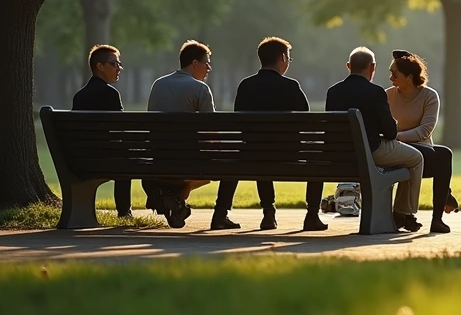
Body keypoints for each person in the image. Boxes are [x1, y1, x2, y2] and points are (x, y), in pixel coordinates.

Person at [214, 37, 324, 231]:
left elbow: (240, 123)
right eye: (288, 59)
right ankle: (312, 215)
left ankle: (245, 214)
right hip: (289, 154)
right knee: (317, 157)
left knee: (253, 150)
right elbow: (308, 122)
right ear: (282, 58)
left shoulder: (245, 86)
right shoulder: (291, 86)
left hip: (251, 154)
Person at [325, 47, 425, 232]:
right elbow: (390, 133)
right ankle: (403, 213)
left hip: (340, 156)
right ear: (373, 67)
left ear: (349, 66)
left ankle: (400, 213)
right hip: (371, 152)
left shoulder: (333, 92)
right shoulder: (376, 92)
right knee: (416, 158)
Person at [386, 50, 459, 234]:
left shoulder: (429, 96)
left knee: (444, 154)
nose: (390, 77)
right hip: (396, 150)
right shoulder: (387, 96)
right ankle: (405, 213)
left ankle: (437, 220)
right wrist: (396, 139)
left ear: (409, 77)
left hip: (421, 150)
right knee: (441, 156)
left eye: (395, 74)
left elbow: (424, 131)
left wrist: (398, 136)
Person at [144, 40, 216, 228]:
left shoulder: (158, 84)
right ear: (194, 63)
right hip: (187, 161)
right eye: (206, 62)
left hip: (156, 158)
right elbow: (211, 129)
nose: (209, 67)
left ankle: (172, 200)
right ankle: (175, 198)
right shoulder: (200, 89)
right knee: (215, 165)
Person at [71, 44, 131, 218]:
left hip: (79, 159)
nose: (119, 68)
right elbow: (121, 130)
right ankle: (124, 211)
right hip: (107, 160)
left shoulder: (80, 95)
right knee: (126, 158)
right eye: (114, 64)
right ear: (99, 66)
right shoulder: (110, 94)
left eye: (119, 64)